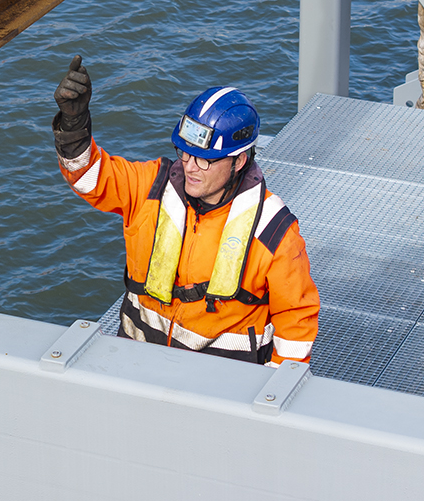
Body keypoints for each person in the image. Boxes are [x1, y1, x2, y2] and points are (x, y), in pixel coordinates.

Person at [52, 56, 319, 365]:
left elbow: (296, 323)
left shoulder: (273, 232)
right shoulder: (151, 187)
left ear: (239, 161)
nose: (190, 167)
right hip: (134, 367)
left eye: (204, 160)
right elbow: (89, 177)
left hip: (221, 385)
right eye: (185, 153)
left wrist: (273, 387)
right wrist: (73, 125)